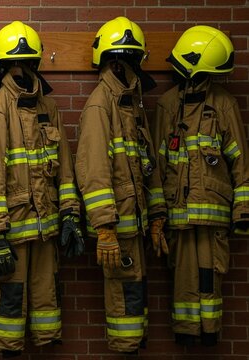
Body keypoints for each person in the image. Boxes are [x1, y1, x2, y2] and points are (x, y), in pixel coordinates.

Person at [0, 21, 82, 358]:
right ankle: (8, 350)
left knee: (48, 298)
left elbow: (64, 168)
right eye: (14, 65)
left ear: (34, 65)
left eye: (27, 64)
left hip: (47, 230)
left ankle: (47, 343)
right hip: (13, 234)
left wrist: (71, 216)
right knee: (9, 303)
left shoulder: (49, 109)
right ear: (4, 67)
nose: (21, 71)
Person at [151, 25, 249, 347]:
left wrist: (243, 210)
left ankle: (209, 333)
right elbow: (158, 162)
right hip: (178, 216)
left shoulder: (224, 105)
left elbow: (241, 162)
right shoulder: (167, 105)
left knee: (209, 279)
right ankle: (186, 333)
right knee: (183, 281)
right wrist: (158, 213)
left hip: (213, 218)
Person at [74, 16, 165, 354]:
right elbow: (93, 171)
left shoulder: (132, 106)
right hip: (117, 228)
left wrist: (156, 214)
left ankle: (132, 343)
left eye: (132, 60)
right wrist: (105, 228)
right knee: (124, 299)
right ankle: (125, 347)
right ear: (111, 63)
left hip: (136, 223)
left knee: (136, 295)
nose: (128, 68)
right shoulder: (101, 105)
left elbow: (148, 163)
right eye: (122, 62)